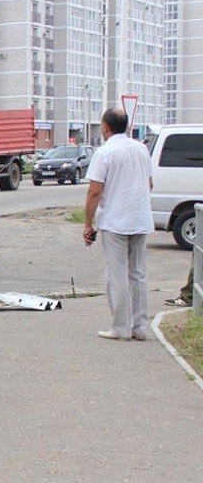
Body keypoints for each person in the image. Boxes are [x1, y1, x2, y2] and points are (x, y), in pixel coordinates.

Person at [83, 108, 154, 341]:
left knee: (117, 275)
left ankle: (120, 328)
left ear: (105, 127)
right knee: (138, 274)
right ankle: (140, 327)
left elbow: (94, 191)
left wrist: (87, 224)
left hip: (115, 221)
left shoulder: (105, 153)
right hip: (141, 218)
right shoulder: (142, 149)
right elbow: (149, 184)